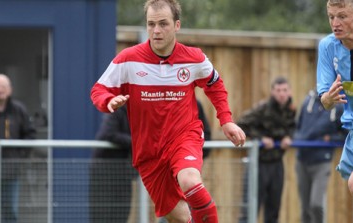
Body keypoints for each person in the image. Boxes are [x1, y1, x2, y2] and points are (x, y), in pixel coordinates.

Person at [90, 0, 246, 222]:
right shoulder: (128, 60)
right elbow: (98, 89)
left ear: (177, 25)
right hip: (149, 153)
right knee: (180, 218)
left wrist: (226, 120)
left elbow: (215, 85)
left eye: (163, 24)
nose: (156, 31)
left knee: (190, 180)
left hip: (184, 137)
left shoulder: (194, 58)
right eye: (151, 24)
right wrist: (109, 100)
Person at [236, 76, 296, 223]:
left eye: (284, 90)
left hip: (277, 163)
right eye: (278, 90)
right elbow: (241, 124)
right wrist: (261, 138)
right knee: (250, 209)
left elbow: (294, 128)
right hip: (259, 164)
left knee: (273, 209)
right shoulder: (262, 108)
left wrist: (289, 137)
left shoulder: (291, 110)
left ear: (290, 92)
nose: (282, 93)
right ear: (272, 92)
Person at [0, 74, 36, 222]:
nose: (0, 90)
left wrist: (19, 157)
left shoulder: (19, 111)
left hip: (10, 172)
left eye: (4, 87)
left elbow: (30, 135)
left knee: (10, 212)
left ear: (10, 90)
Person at [316, 0, 353, 196]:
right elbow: (324, 100)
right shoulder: (327, 47)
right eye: (331, 17)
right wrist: (329, 99)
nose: (335, 23)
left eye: (342, 16)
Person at [294, 89, 345, 223]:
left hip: (322, 162)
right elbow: (298, 127)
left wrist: (331, 138)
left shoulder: (339, 108)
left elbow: (345, 134)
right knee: (305, 208)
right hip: (302, 160)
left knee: (316, 204)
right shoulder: (308, 101)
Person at [89, 105, 137, 223]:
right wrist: (135, 142)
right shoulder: (117, 110)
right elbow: (108, 133)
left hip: (123, 173)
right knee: (102, 213)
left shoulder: (140, 116)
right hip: (104, 171)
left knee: (122, 211)